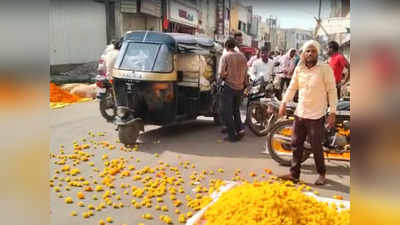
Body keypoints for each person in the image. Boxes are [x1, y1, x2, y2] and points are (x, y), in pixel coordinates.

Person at [278, 40, 337, 185]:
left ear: (317, 53)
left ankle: (321, 173)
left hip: (317, 114)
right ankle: (294, 174)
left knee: (316, 146)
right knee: (296, 144)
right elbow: (292, 87)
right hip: (301, 112)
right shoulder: (300, 68)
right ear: (303, 53)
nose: (310, 54)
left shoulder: (325, 68)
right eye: (307, 51)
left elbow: (332, 90)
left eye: (313, 51)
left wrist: (332, 112)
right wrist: (284, 102)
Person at [219, 37, 248, 142]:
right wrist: (246, 85)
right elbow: (246, 74)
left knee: (226, 112)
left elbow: (222, 73)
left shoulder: (225, 56)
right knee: (236, 110)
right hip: (240, 87)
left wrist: (221, 79)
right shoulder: (242, 57)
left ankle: (232, 135)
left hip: (229, 87)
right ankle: (240, 129)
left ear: (226, 46)